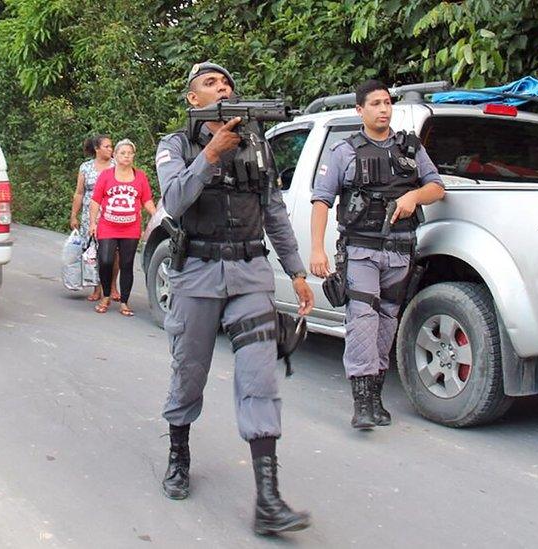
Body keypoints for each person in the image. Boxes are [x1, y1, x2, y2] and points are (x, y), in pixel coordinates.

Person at [155, 62, 313, 536]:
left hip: (250, 275)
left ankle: (268, 499)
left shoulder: (258, 145)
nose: (221, 87)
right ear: (192, 99)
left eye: (226, 82)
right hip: (196, 275)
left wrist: (297, 272)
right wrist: (210, 156)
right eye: (210, 83)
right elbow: (173, 201)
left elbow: (275, 213)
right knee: (189, 372)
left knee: (260, 379)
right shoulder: (176, 145)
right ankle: (179, 454)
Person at [308, 80, 446, 429]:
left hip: (400, 251)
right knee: (362, 322)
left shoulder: (410, 148)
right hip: (361, 250)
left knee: (387, 325)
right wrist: (316, 249)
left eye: (387, 103)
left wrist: (414, 197)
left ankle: (376, 397)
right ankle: (362, 404)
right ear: (360, 110)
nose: (383, 109)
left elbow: (436, 186)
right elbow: (321, 200)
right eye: (375, 104)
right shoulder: (344, 151)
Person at [88, 139, 156, 316]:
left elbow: (146, 200)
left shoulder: (140, 176)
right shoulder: (106, 175)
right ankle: (106, 296)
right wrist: (92, 223)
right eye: (122, 153)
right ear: (115, 155)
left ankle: (124, 301)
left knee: (126, 264)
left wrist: (157, 217)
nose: (126, 156)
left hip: (131, 228)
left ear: (133, 156)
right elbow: (95, 200)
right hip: (107, 226)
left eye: (130, 153)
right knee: (106, 260)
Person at [70, 135, 118, 301]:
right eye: (107, 146)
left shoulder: (116, 166)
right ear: (97, 149)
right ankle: (97, 287)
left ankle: (112, 286)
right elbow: (79, 193)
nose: (110, 150)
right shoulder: (86, 167)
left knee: (114, 252)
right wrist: (73, 215)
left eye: (111, 147)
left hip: (112, 212)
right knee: (94, 252)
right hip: (90, 214)